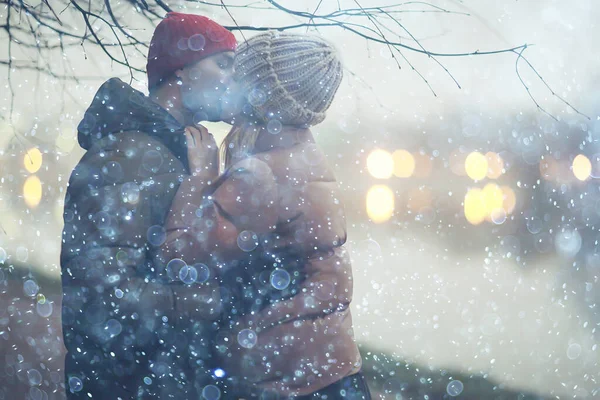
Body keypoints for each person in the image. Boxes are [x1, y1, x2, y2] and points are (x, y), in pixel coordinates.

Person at [160, 31, 371, 399]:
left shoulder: (260, 175)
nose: (227, 81)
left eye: (237, 72)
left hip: (284, 382)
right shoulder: (303, 156)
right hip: (329, 373)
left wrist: (199, 181)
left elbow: (176, 260)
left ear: (257, 92)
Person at [59, 11, 236, 398]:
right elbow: (101, 297)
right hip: (127, 384)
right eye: (224, 64)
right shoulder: (126, 157)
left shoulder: (180, 153)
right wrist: (211, 302)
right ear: (182, 70)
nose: (234, 79)